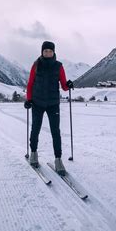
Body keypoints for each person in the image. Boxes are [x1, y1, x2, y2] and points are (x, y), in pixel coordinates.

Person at [24, 41, 74, 175]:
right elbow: (30, 84)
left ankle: (58, 159)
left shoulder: (59, 66)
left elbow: (63, 85)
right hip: (37, 102)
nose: (47, 53)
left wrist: (68, 85)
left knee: (55, 132)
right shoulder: (36, 65)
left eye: (50, 51)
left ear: (53, 52)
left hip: (53, 104)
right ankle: (33, 153)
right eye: (45, 51)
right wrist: (29, 99)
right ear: (42, 52)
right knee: (35, 129)